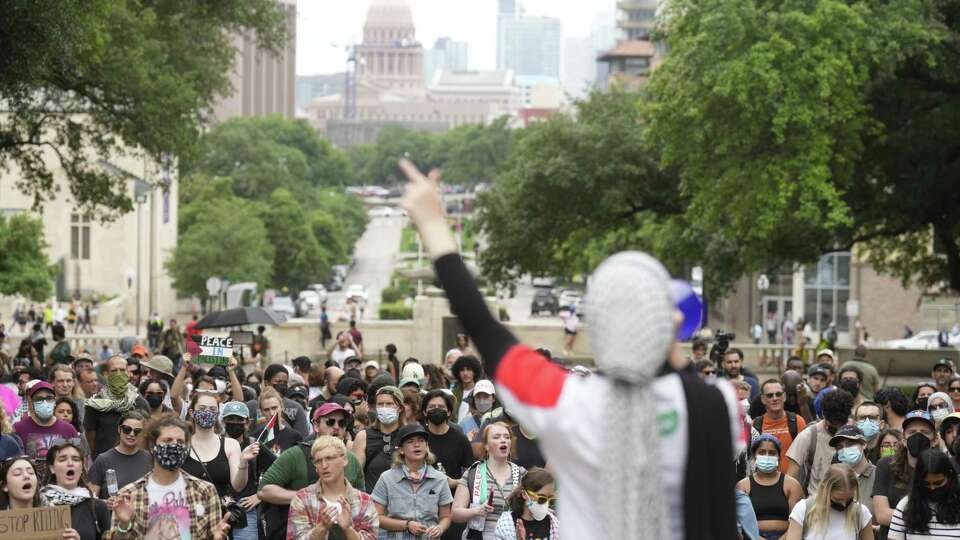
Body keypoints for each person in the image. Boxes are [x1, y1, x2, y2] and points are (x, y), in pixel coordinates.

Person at [400, 158, 741, 539]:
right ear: (672, 321)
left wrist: (433, 226)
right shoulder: (717, 403)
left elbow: (484, 328)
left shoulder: (569, 403)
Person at [107, 413, 232, 539]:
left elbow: (215, 534)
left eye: (180, 441)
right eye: (167, 440)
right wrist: (124, 525)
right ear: (152, 446)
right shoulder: (130, 495)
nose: (174, 445)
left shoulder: (205, 491)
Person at [258, 402, 365, 540]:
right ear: (316, 426)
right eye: (330, 422)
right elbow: (264, 490)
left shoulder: (351, 460)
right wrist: (305, 498)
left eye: (342, 423)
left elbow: (362, 503)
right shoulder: (295, 455)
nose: (336, 427)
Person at [286, 435, 379, 540]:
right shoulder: (302, 499)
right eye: (318, 461)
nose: (324, 465)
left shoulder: (364, 501)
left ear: (344, 460)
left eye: (329, 458)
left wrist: (348, 529)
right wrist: (322, 527)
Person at [372, 423, 453, 539]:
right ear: (401, 450)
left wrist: (439, 528)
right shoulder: (387, 478)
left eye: (421, 441)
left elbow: (446, 517)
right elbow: (376, 517)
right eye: (410, 442)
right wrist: (406, 525)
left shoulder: (440, 479)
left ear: (426, 447)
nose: (417, 445)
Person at [872, 411, 941, 540]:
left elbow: (948, 514)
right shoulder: (886, 465)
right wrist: (928, 518)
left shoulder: (941, 469)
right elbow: (882, 515)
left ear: (935, 439)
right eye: (912, 432)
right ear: (903, 439)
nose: (918, 436)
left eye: (925, 432)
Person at [452, 423, 526, 539]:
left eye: (507, 437)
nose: (503, 440)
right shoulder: (473, 473)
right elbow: (455, 514)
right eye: (496, 437)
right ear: (486, 446)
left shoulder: (522, 474)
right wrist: (477, 511)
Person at [181, 393, 259, 499]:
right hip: (187, 510)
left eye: (212, 409)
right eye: (202, 408)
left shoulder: (231, 445)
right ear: (191, 412)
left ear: (218, 413)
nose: (207, 412)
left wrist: (243, 461)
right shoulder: (182, 444)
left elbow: (238, 486)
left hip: (219, 512)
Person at [221, 400, 276, 540]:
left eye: (239, 419)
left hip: (246, 509)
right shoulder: (216, 444)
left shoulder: (254, 446)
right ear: (223, 421)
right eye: (230, 419)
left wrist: (259, 496)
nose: (234, 423)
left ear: (247, 423)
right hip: (218, 509)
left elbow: (279, 471)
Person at [787, 388, 855, 495]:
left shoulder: (855, 435)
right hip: (816, 502)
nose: (837, 431)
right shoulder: (808, 436)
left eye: (841, 426)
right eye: (833, 427)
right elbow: (790, 477)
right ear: (823, 415)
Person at [42, 438, 111, 540]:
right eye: (62, 459)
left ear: (82, 467)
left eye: (76, 459)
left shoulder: (98, 507)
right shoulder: (38, 504)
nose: (70, 463)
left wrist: (124, 524)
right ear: (52, 468)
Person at [736, 435, 803, 540]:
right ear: (754, 456)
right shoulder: (743, 486)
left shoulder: (791, 485)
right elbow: (739, 523)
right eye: (762, 452)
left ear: (779, 457)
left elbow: (798, 520)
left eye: (772, 453)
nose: (767, 456)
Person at [84, 356, 151, 460]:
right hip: (105, 462)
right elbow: (90, 438)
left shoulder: (140, 403)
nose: (119, 374)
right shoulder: (96, 404)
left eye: (123, 370)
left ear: (128, 373)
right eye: (114, 371)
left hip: (134, 461)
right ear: (106, 374)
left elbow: (146, 437)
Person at [785, 464, 873, 539]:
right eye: (838, 499)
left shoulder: (860, 512)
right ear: (824, 489)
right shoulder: (803, 509)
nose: (844, 504)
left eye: (849, 499)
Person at [888, 449, 960, 539]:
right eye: (926, 484)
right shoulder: (905, 506)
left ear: (949, 477)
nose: (932, 488)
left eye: (938, 483)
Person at [13, 380, 79, 477]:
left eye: (49, 398)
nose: (44, 402)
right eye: (39, 399)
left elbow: (81, 461)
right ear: (31, 402)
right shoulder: (18, 429)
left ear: (55, 400)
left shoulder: (69, 429)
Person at [89, 410, 152, 497]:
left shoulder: (150, 458)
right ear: (119, 429)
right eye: (127, 429)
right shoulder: (103, 460)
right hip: (111, 510)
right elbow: (91, 500)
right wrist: (105, 503)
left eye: (137, 431)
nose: (131, 434)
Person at [354, 385, 406, 491]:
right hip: (372, 501)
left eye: (389, 404)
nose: (384, 408)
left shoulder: (408, 435)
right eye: (380, 404)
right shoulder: (363, 436)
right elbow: (355, 476)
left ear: (400, 408)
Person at [756, 379, 808, 474]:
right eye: (770, 395)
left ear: (784, 397)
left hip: (792, 484)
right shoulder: (755, 424)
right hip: (764, 482)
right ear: (763, 399)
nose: (775, 398)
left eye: (778, 394)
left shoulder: (798, 421)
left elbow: (806, 455)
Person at [493, 467, 558, 540]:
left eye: (551, 500)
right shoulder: (506, 523)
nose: (546, 503)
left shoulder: (554, 523)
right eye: (541, 498)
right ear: (524, 494)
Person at [244, 364, 310, 435]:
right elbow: (246, 435)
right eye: (278, 381)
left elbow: (302, 437)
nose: (282, 385)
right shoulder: (251, 406)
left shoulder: (296, 407)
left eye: (285, 382)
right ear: (267, 382)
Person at [831, 425, 877, 514]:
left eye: (850, 444)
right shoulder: (833, 478)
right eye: (840, 447)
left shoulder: (879, 475)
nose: (845, 450)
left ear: (864, 444)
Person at [451, 355, 483, 422]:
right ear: (458, 373)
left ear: (474, 372)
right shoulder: (453, 393)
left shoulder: (482, 391)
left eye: (468, 369)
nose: (465, 373)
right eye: (462, 370)